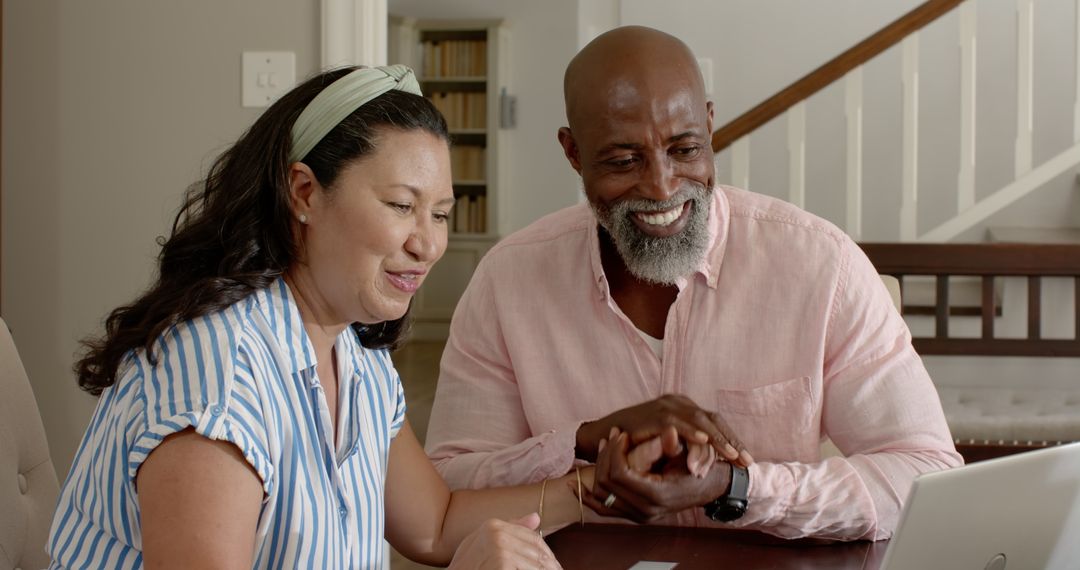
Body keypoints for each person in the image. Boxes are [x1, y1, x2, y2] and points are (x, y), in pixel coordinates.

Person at [424, 26, 963, 541]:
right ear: (573, 153)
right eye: (623, 160)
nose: (662, 188)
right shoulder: (508, 281)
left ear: (709, 125)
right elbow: (447, 488)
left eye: (684, 150)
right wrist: (582, 441)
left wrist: (737, 487)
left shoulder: (822, 266)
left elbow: (926, 474)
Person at [46, 65, 589, 569]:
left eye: (441, 214)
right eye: (401, 206)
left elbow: (435, 524)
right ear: (304, 192)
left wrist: (595, 490)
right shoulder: (219, 384)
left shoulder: (356, 356)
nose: (427, 245)